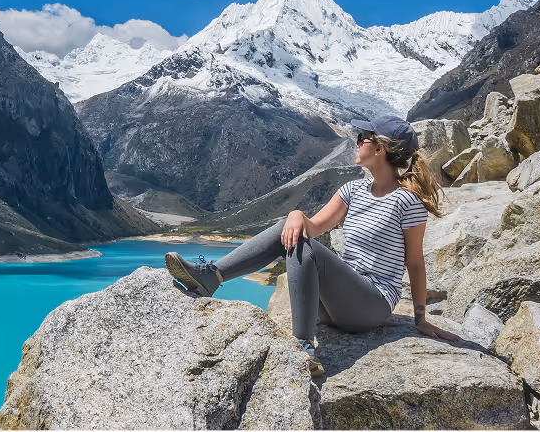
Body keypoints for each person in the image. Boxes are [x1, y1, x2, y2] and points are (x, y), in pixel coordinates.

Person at [164, 115, 460, 377]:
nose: (356, 143)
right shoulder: (352, 190)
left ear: (379, 148)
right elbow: (314, 226)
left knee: (304, 247)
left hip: (371, 304)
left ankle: (304, 348)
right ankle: (211, 276)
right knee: (290, 229)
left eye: (361, 138)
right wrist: (295, 215)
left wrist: (421, 319)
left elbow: (415, 263)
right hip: (335, 304)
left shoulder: (406, 202)